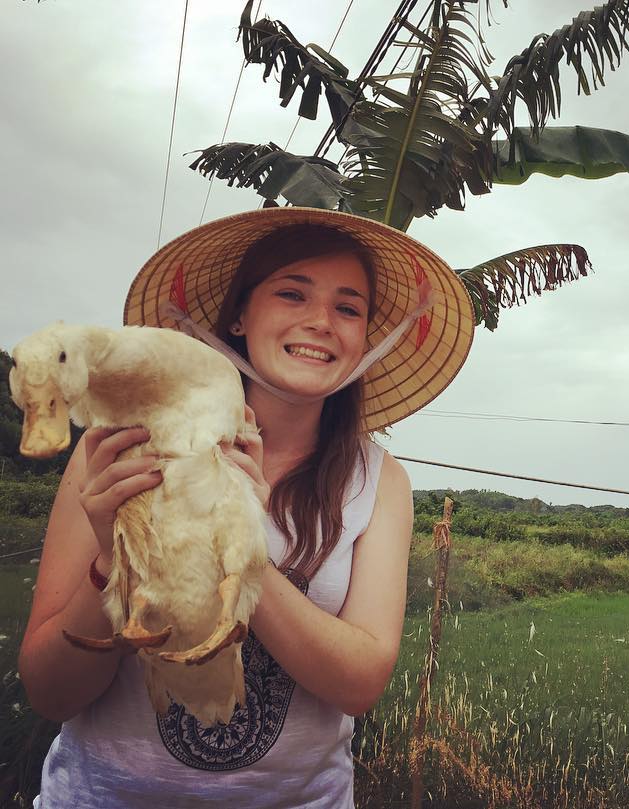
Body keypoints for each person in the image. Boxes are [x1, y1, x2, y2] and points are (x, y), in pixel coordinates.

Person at [18, 207, 475, 807]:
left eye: (348, 307)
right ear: (239, 315)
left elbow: (360, 683)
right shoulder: (122, 450)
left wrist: (241, 546)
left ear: (365, 337)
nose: (320, 323)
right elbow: (51, 693)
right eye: (292, 293)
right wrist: (116, 557)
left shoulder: (379, 483)